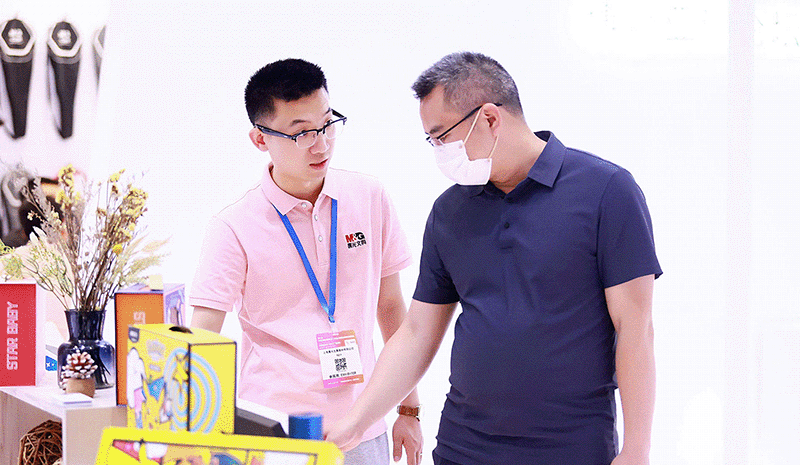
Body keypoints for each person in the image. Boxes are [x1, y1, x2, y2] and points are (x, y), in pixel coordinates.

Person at [327, 52, 662, 465]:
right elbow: (416, 333)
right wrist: (357, 421)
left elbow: (635, 329)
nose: (438, 151)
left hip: (572, 448)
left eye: (441, 136)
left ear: (489, 118)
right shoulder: (450, 211)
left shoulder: (607, 191)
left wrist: (637, 449)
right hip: (463, 447)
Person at [189, 58, 423, 465]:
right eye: (301, 133)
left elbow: (391, 309)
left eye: (327, 124)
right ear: (260, 139)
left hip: (362, 427)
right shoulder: (233, 227)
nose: (321, 144)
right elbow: (202, 338)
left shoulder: (369, 197)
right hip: (272, 435)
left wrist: (409, 409)